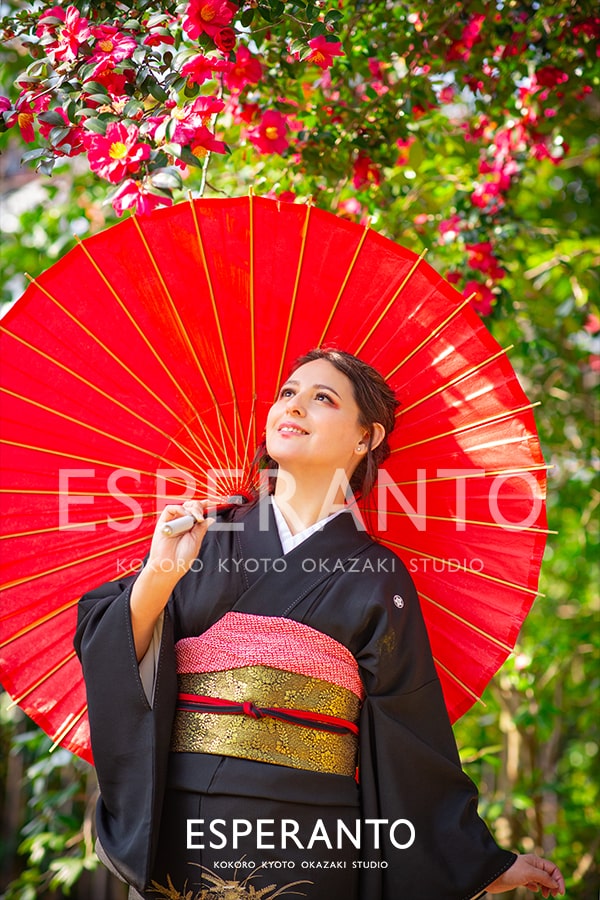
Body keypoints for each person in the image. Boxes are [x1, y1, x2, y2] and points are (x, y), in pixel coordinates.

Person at [75, 349, 565, 900]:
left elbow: (410, 734)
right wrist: (160, 575)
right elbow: (108, 647)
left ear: (366, 438)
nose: (295, 405)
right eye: (288, 393)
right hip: (186, 828)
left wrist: (476, 862)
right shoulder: (201, 538)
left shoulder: (379, 575)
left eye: (322, 398)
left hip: (312, 837)